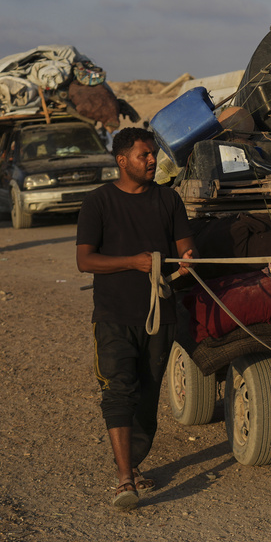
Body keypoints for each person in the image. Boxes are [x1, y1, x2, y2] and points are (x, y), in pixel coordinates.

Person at [75, 127, 196, 510]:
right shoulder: (98, 202)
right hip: (113, 315)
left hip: (161, 316)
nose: (152, 161)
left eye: (153, 155)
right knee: (118, 389)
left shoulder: (168, 200)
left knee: (147, 394)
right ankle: (125, 479)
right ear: (122, 160)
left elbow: (184, 248)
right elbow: (84, 261)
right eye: (144, 155)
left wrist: (189, 260)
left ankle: (132, 462)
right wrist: (133, 262)